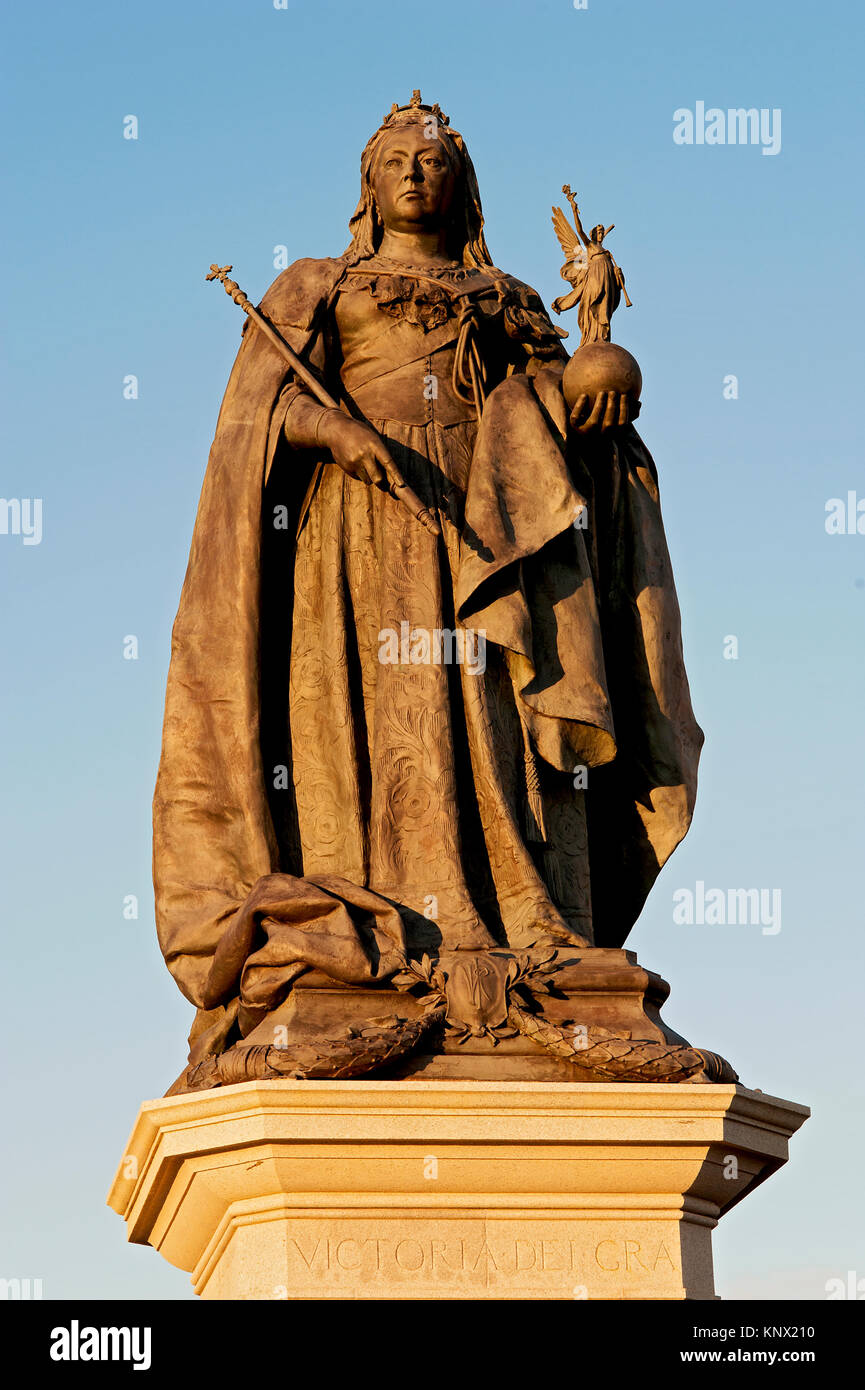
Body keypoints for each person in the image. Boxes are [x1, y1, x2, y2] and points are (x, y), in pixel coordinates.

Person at [153, 94, 702, 1072]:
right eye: (396, 157)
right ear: (368, 185)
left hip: (491, 530)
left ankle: (514, 917)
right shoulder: (317, 286)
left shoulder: (514, 300)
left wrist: (598, 371)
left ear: (465, 182)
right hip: (358, 532)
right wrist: (343, 433)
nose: (416, 169)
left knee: (489, 719)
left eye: (434, 156)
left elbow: (570, 420)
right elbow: (256, 422)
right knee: (375, 725)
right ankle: (381, 924)